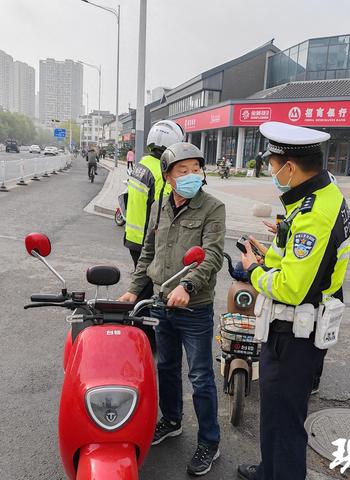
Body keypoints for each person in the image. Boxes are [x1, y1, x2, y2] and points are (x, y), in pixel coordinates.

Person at [237, 121, 350, 480]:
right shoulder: (323, 193)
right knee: (274, 412)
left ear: (290, 166)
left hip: (294, 334)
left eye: (272, 166)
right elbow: (300, 254)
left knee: (285, 422)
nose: (272, 173)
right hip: (297, 329)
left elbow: (291, 287)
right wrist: (277, 242)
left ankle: (279, 472)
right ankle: (267, 471)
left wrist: (253, 269)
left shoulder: (314, 215)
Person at [119, 142, 225, 476]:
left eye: (196, 169)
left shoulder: (213, 207)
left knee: (200, 375)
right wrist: (133, 290)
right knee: (165, 366)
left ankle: (210, 440)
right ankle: (172, 419)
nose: (192, 175)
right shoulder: (159, 207)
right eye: (183, 170)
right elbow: (148, 253)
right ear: (168, 176)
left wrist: (188, 286)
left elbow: (212, 255)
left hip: (194, 308)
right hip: (161, 303)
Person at [124, 120, 184, 269]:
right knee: (151, 287)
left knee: (139, 282)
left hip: (133, 237)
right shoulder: (161, 173)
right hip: (148, 241)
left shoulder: (142, 164)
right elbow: (164, 211)